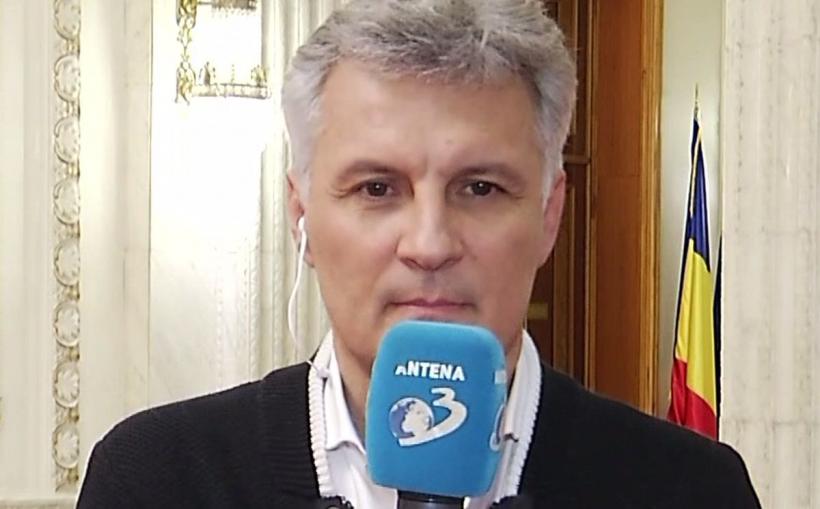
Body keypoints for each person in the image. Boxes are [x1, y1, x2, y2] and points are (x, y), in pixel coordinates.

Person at [77, 1, 761, 508]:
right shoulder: (158, 480)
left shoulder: (692, 490)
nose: (430, 245)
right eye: (377, 188)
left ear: (549, 215)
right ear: (301, 213)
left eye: (480, 188)